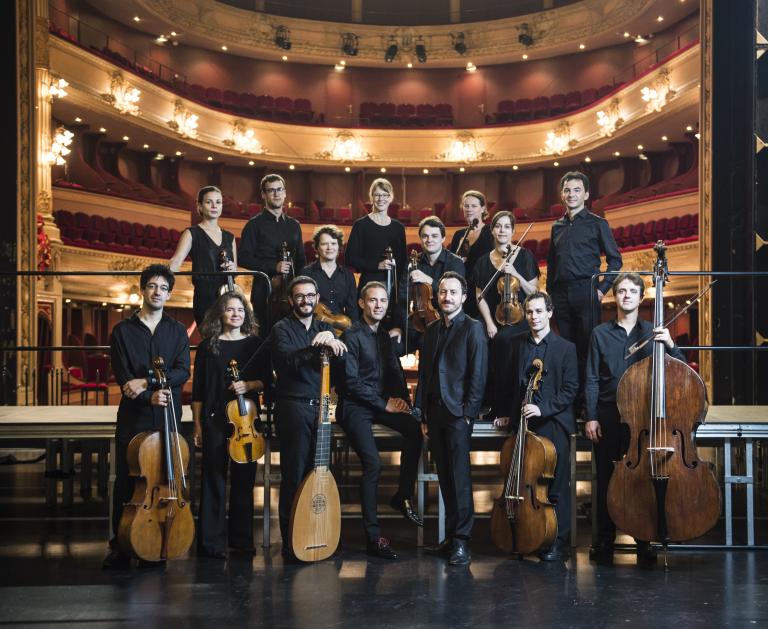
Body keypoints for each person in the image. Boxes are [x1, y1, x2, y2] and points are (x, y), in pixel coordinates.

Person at [584, 273, 685, 564]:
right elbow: (591, 378)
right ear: (614, 296)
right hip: (608, 414)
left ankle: (644, 540)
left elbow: (679, 371)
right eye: (621, 291)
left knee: (643, 479)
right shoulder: (599, 334)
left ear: (641, 298)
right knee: (606, 480)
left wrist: (670, 344)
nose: (626, 295)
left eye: (632, 291)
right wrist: (591, 416)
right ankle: (605, 541)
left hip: (643, 418)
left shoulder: (654, 333)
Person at [103, 264, 190, 568]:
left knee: (165, 478)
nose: (157, 292)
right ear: (142, 290)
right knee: (128, 481)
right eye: (152, 286)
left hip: (167, 413)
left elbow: (182, 371)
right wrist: (146, 395)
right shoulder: (122, 331)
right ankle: (120, 546)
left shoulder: (177, 331)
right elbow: (123, 377)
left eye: (163, 288)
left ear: (169, 294)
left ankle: (156, 543)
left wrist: (150, 382)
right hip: (135, 415)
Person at [335, 281, 424, 559]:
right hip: (355, 407)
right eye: (372, 300)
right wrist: (384, 403)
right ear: (362, 303)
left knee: (414, 430)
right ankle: (373, 538)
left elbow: (394, 372)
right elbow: (350, 382)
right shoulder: (351, 335)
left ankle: (402, 495)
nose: (378, 305)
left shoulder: (383, 335)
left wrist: (404, 402)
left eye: (383, 301)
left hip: (379, 404)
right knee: (373, 464)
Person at [491, 291, 579, 562]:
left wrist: (543, 408)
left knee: (556, 487)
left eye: (539, 311)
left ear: (549, 313)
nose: (533, 317)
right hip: (524, 423)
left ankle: (557, 543)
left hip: (554, 423)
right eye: (529, 312)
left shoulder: (566, 348)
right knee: (524, 484)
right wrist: (505, 413)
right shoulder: (516, 344)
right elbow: (508, 384)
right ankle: (527, 535)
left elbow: (570, 389)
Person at [267, 275, 347, 561]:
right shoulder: (281, 329)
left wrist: (336, 345)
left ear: (317, 298)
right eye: (300, 296)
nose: (306, 300)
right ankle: (291, 542)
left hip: (321, 408)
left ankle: (318, 534)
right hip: (293, 407)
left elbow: (341, 367)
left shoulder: (325, 328)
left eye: (310, 295)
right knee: (295, 474)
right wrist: (317, 346)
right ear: (291, 300)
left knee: (320, 474)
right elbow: (286, 364)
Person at [413, 271, 487, 566]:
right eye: (443, 292)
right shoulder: (431, 330)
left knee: (459, 478)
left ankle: (462, 541)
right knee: (445, 477)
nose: (447, 297)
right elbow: (425, 374)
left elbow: (478, 374)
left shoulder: (474, 328)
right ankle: (452, 535)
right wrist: (421, 412)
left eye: (453, 292)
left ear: (464, 297)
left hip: (458, 414)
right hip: (434, 413)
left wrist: (469, 413)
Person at [192, 291, 269, 559]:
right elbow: (199, 390)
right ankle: (210, 543)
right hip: (214, 419)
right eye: (230, 309)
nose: (236, 314)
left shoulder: (255, 344)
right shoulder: (208, 347)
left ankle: (241, 541)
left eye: (240, 310)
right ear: (220, 314)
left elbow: (266, 381)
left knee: (243, 481)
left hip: (245, 421)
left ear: (246, 314)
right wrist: (198, 425)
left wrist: (248, 385)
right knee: (212, 479)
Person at [545, 171, 622, 402]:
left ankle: (588, 403)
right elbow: (551, 263)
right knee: (566, 349)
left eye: (577, 190)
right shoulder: (556, 227)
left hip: (586, 291)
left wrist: (602, 289)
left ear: (586, 195)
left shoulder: (598, 224)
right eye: (567, 190)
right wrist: (550, 293)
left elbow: (615, 260)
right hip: (560, 294)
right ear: (562, 194)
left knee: (587, 348)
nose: (571, 194)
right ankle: (569, 400)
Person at [239, 174, 306, 332]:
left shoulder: (294, 225)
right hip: (264, 288)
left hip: (291, 288)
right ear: (263, 194)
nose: (276, 194)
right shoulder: (254, 225)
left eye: (279, 189)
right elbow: (243, 258)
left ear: (285, 193)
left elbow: (301, 260)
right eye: (271, 190)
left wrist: (301, 286)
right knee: (265, 332)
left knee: (292, 331)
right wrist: (273, 267)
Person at [345, 178, 407, 340]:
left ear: (391, 197)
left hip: (391, 287)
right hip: (368, 284)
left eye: (385, 195)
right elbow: (350, 258)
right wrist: (376, 265)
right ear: (371, 197)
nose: (381, 199)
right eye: (377, 195)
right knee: (366, 332)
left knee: (388, 333)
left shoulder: (398, 228)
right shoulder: (361, 225)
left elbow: (402, 262)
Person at [169, 186, 237, 326]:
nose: (214, 206)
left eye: (218, 202)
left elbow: (235, 270)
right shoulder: (191, 233)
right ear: (200, 206)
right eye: (208, 202)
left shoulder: (230, 237)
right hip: (205, 296)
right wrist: (162, 282)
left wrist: (232, 268)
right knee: (210, 335)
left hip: (228, 295)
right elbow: (176, 261)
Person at [472, 210, 539, 339]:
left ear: (513, 231)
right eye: (498, 226)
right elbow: (479, 296)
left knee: (503, 337)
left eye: (507, 227)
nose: (502, 230)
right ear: (492, 230)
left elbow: (534, 293)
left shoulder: (525, 256)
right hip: (491, 314)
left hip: (519, 315)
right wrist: (489, 323)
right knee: (474, 333)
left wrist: (515, 274)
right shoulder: (482, 262)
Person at [407, 216, 465, 351]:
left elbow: (454, 295)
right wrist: (398, 326)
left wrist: (428, 280)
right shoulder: (413, 262)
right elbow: (403, 295)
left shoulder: (455, 263)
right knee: (392, 343)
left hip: (445, 319)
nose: (429, 240)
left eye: (434, 236)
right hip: (416, 319)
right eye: (425, 236)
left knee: (426, 343)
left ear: (443, 238)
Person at [448, 190, 494, 318]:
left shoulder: (491, 232)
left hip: (484, 290)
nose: (469, 209)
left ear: (483, 208)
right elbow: (451, 265)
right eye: (466, 206)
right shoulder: (458, 235)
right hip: (463, 289)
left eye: (474, 206)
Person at [301, 224, 359, 326]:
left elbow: (352, 310)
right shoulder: (307, 273)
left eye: (333, 243)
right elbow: (301, 306)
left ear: (339, 247)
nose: (329, 248)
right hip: (313, 327)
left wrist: (353, 332)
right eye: (324, 244)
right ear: (317, 247)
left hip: (339, 328)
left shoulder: (348, 276)